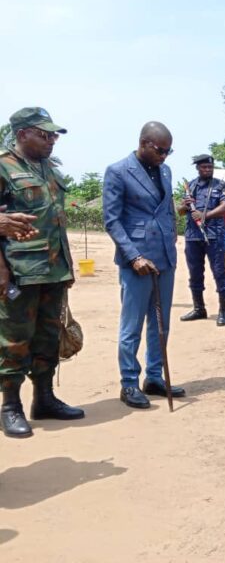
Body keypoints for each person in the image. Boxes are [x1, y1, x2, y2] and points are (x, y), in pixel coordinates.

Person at [0, 107, 84, 438]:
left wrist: (66, 266)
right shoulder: (3, 167)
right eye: (45, 134)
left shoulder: (48, 167)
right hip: (20, 273)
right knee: (15, 339)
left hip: (54, 269)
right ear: (22, 134)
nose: (52, 141)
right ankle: (10, 406)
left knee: (48, 336)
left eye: (54, 136)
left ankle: (44, 399)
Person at [103, 121, 186, 409]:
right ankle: (129, 383)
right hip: (137, 261)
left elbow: (165, 208)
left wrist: (174, 229)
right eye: (161, 150)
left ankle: (154, 377)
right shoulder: (117, 171)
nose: (165, 156)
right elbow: (111, 220)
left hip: (165, 257)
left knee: (161, 324)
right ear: (144, 144)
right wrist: (133, 256)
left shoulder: (165, 170)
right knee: (132, 326)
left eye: (169, 151)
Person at [177, 154, 225, 326]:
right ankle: (199, 308)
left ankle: (223, 311)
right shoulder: (191, 185)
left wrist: (205, 215)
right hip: (193, 236)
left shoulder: (221, 185)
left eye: (210, 167)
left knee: (219, 272)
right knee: (194, 273)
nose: (207, 170)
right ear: (198, 168)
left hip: (214, 235)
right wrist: (186, 206)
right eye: (204, 167)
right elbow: (179, 211)